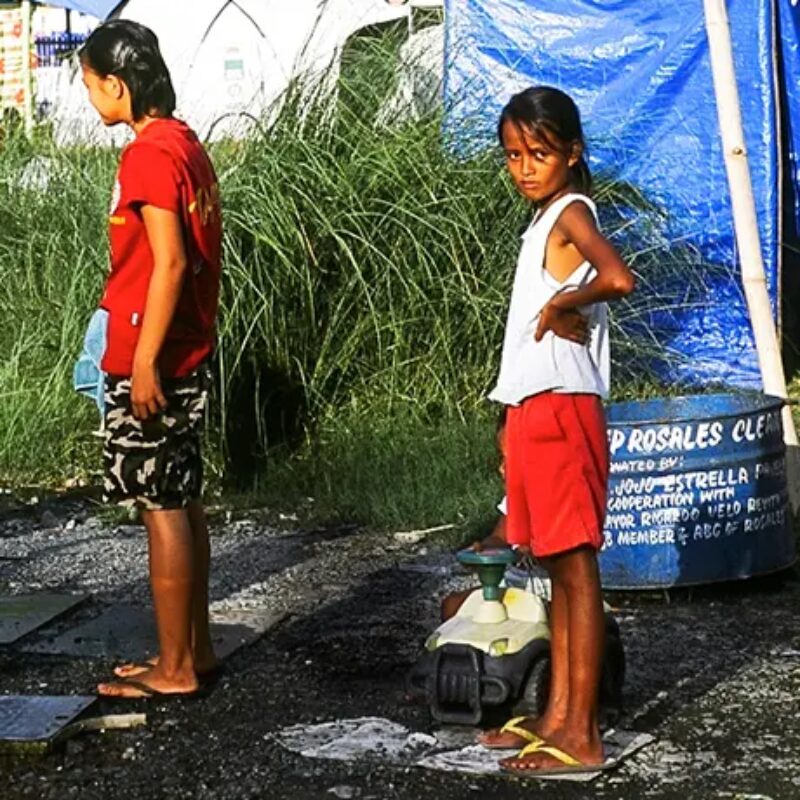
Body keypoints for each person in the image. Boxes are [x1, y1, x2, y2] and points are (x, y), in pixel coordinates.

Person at [478, 86, 635, 775]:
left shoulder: (572, 212)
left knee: (575, 569)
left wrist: (567, 300)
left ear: (571, 153)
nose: (524, 168)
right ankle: (556, 715)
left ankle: (583, 729)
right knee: (550, 564)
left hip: (566, 407)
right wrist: (510, 417)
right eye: (514, 156)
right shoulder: (543, 221)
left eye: (538, 153)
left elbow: (619, 277)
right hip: (535, 407)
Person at [78, 20, 222, 699]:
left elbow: (168, 262)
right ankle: (195, 648)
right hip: (189, 345)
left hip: (157, 355)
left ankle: (176, 667)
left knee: (159, 505)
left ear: (117, 83)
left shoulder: (147, 155)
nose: (90, 99)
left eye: (90, 85)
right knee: (182, 498)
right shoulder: (185, 145)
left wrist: (141, 363)